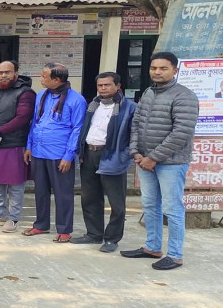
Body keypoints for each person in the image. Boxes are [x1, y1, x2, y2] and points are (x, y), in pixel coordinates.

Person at [122, 52, 199, 270]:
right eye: (154, 68)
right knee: (149, 205)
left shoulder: (185, 96)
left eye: (163, 68)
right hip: (144, 161)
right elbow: (136, 123)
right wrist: (136, 152)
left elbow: (181, 132)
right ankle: (152, 247)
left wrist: (153, 158)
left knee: (172, 208)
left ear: (175, 70)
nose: (157, 72)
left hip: (171, 163)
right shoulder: (148, 92)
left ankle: (175, 255)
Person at [71, 72, 136, 252]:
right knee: (89, 197)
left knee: (116, 203)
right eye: (100, 86)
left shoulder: (129, 107)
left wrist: (125, 155)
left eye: (107, 85)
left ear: (118, 86)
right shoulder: (93, 105)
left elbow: (134, 135)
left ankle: (112, 239)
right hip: (90, 154)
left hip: (112, 156)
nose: (103, 89)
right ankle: (93, 234)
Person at [22, 63, 87, 243]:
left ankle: (64, 229)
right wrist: (29, 146)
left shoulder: (76, 100)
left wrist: (68, 156)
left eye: (44, 76)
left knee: (63, 193)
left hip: (60, 154)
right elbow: (35, 123)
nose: (41, 79)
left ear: (56, 79)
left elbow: (77, 129)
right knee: (40, 191)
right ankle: (41, 224)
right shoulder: (42, 95)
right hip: (38, 150)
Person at [0, 61, 36, 233]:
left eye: (7, 72)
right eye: (0, 72)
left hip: (14, 144)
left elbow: (22, 118)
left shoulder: (25, 93)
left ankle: (13, 218)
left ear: (16, 73)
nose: (3, 75)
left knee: (15, 184)